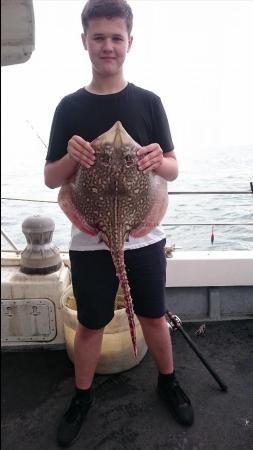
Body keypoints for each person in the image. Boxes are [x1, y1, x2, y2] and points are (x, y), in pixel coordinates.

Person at [44, 0, 194, 447]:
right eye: (98, 37)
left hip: (143, 234)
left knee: (151, 313)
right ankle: (82, 396)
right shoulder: (69, 107)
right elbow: (54, 178)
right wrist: (72, 155)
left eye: (116, 37)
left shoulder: (149, 102)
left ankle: (167, 380)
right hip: (90, 238)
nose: (107, 46)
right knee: (91, 322)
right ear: (84, 41)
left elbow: (172, 167)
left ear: (129, 41)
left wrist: (157, 160)